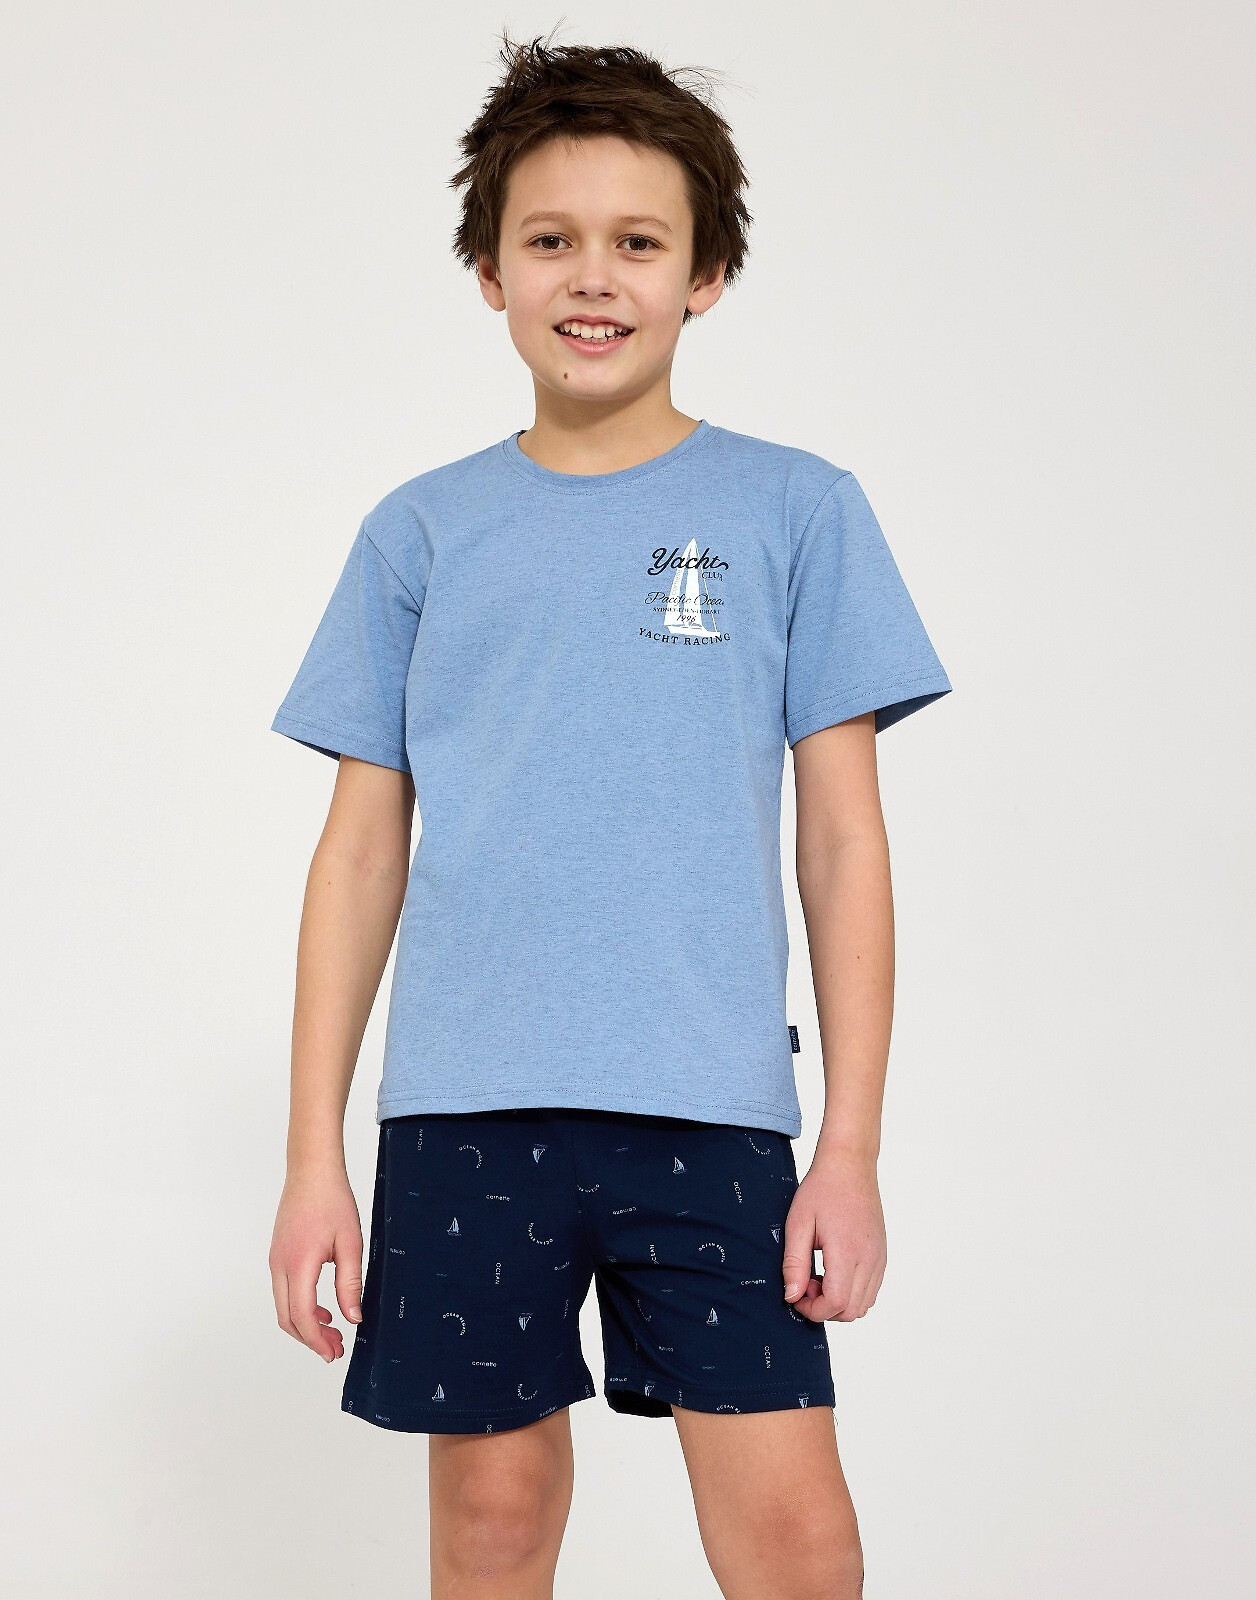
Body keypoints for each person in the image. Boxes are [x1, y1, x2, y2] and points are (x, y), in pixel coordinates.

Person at [267, 29, 952, 1600]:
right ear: (489, 271)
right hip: (466, 1113)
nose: (593, 278)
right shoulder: (420, 532)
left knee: (796, 1541)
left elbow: (844, 843)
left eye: (639, 243)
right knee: (493, 1526)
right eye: (551, 240)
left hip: (711, 1111)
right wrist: (315, 1157)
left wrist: (848, 1146)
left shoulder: (797, 512)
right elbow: (359, 852)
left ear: (705, 273)